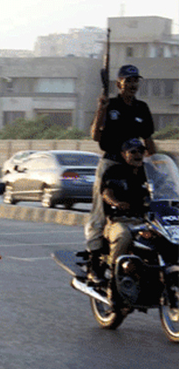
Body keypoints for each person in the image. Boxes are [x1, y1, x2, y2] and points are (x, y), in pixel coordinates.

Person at [85, 64, 157, 262]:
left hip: (134, 165)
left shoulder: (141, 108)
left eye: (135, 81)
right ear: (119, 84)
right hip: (112, 163)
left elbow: (148, 141)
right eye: (128, 81)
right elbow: (95, 135)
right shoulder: (111, 105)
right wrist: (101, 108)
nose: (132, 85)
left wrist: (157, 166)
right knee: (101, 210)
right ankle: (94, 254)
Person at [97, 138, 151, 276]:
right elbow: (106, 193)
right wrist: (115, 202)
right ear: (123, 154)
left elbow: (167, 187)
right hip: (120, 220)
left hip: (147, 221)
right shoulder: (114, 171)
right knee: (123, 236)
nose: (137, 154)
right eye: (133, 151)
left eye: (141, 151)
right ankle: (114, 276)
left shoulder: (150, 171)